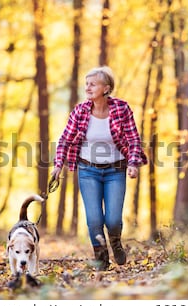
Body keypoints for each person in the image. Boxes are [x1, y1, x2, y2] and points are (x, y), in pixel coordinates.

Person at [51, 66, 148, 271]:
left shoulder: (122, 109)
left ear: (106, 88)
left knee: (113, 220)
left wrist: (132, 163)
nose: (87, 87)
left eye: (92, 84)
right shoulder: (80, 111)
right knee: (94, 219)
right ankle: (102, 259)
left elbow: (133, 139)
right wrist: (58, 165)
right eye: (86, 84)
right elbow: (64, 140)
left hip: (115, 170)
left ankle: (115, 242)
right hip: (88, 171)